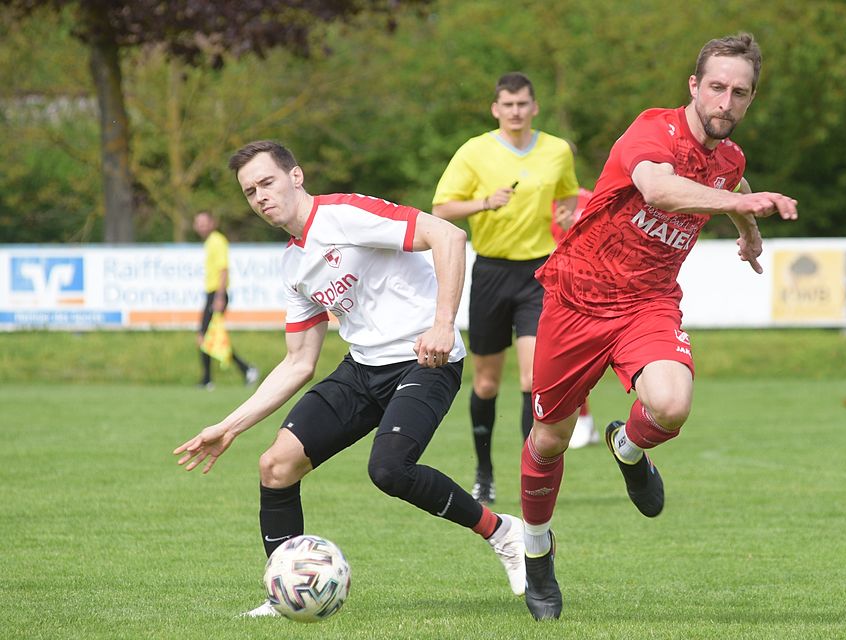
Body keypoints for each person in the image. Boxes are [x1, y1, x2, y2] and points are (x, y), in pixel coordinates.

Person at [174, 141, 525, 617]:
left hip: (426, 361)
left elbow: (448, 236)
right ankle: (288, 594)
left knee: (389, 469)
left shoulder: (344, 214)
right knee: (276, 466)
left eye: (267, 182)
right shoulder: (292, 266)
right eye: (250, 191)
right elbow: (299, 362)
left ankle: (503, 532)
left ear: (295, 177)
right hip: (363, 369)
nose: (260, 197)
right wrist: (230, 426)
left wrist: (443, 323)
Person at [517, 33, 798, 620]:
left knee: (671, 405)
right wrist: (741, 210)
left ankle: (627, 446)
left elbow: (734, 183)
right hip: (576, 298)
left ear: (750, 100)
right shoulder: (653, 130)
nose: (726, 102)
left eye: (739, 93)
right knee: (549, 440)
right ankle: (537, 552)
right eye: (716, 87)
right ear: (694, 87)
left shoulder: (730, 161)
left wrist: (748, 233)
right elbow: (659, 189)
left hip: (647, 302)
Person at [432, 72, 580, 505]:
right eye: (507, 105)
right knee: (485, 383)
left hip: (539, 272)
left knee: (534, 378)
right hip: (492, 273)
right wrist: (483, 203)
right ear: (496, 109)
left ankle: (528, 470)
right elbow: (441, 207)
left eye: (523, 104)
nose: (515, 111)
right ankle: (484, 472)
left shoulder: (556, 150)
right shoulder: (475, 151)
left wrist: (568, 216)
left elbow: (569, 195)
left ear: (534, 107)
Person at [551, 186, 599, 449]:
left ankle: (584, 421)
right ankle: (583, 421)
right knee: (562, 362)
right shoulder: (537, 202)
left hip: (585, 292)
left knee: (580, 361)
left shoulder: (588, 198)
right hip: (550, 290)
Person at [193, 211, 259, 389]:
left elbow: (223, 270)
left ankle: (208, 379)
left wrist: (220, 297)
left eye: (204, 222)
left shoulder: (217, 241)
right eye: (198, 223)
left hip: (217, 294)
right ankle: (244, 370)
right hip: (212, 294)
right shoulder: (210, 242)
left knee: (205, 337)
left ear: (212, 223)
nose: (201, 226)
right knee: (211, 338)